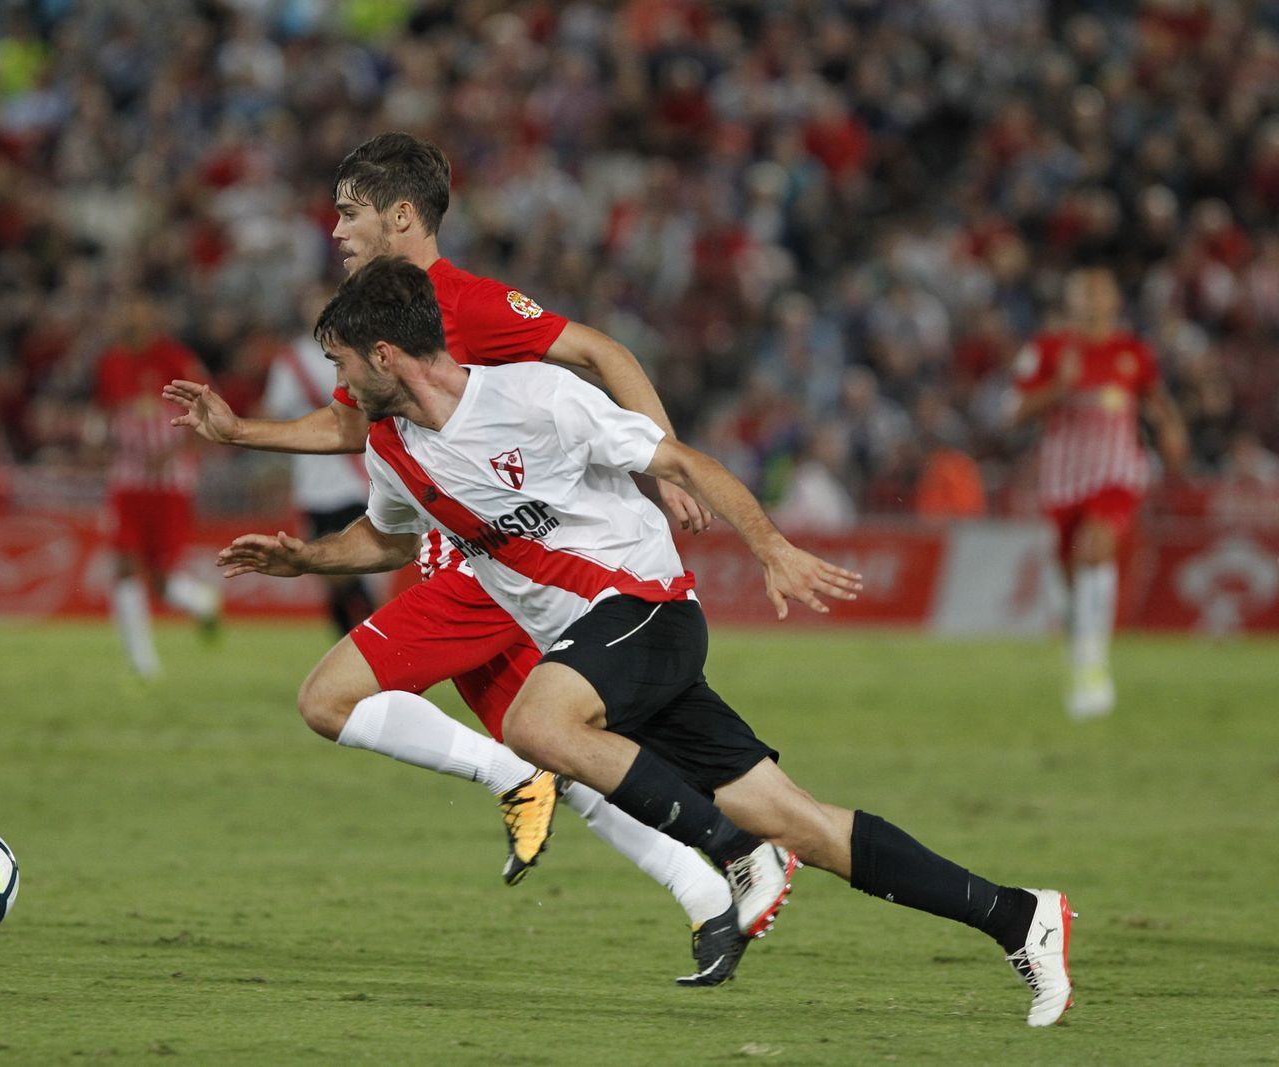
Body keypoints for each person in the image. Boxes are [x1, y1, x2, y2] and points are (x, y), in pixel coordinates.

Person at [220, 256, 1076, 1028]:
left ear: (384, 354)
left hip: (647, 607)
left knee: (534, 724)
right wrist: (305, 562)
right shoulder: (392, 447)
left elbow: (682, 463)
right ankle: (1017, 915)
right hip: (605, 651)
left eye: (338, 362)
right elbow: (389, 540)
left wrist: (770, 545)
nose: (335, 383)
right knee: (807, 822)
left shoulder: (534, 398)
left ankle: (738, 855)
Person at [166, 132, 789, 987]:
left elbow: (603, 352)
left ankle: (533, 782)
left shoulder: (463, 302)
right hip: (470, 556)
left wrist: (665, 461)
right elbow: (357, 423)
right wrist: (243, 433)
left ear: (400, 215)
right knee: (568, 750)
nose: (335, 229)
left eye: (348, 212)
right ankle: (703, 891)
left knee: (336, 699)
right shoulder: (375, 315)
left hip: (495, 565)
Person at [1012, 267, 1187, 719]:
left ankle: (1093, 664)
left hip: (1117, 472)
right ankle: (1079, 640)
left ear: (1113, 301)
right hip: (1064, 477)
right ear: (1071, 301)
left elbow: (1155, 401)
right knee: (1071, 573)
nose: (1091, 301)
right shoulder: (1047, 350)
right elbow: (1014, 413)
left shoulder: (1132, 352)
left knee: (1096, 545)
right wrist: (1060, 387)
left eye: (1099, 292)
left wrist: (1170, 430)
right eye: (1082, 293)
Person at [94, 291, 220, 679]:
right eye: (127, 313)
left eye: (139, 312)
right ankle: (142, 664)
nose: (132, 320)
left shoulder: (175, 359)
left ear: (152, 319)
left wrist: (181, 452)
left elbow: (209, 407)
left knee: (163, 582)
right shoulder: (110, 364)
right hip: (127, 482)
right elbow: (107, 417)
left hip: (170, 485)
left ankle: (203, 602)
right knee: (125, 565)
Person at [261, 294, 376, 636]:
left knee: (344, 569)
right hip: (312, 485)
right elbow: (273, 410)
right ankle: (353, 649)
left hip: (355, 479)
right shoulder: (292, 360)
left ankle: (371, 648)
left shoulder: (359, 353)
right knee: (329, 578)